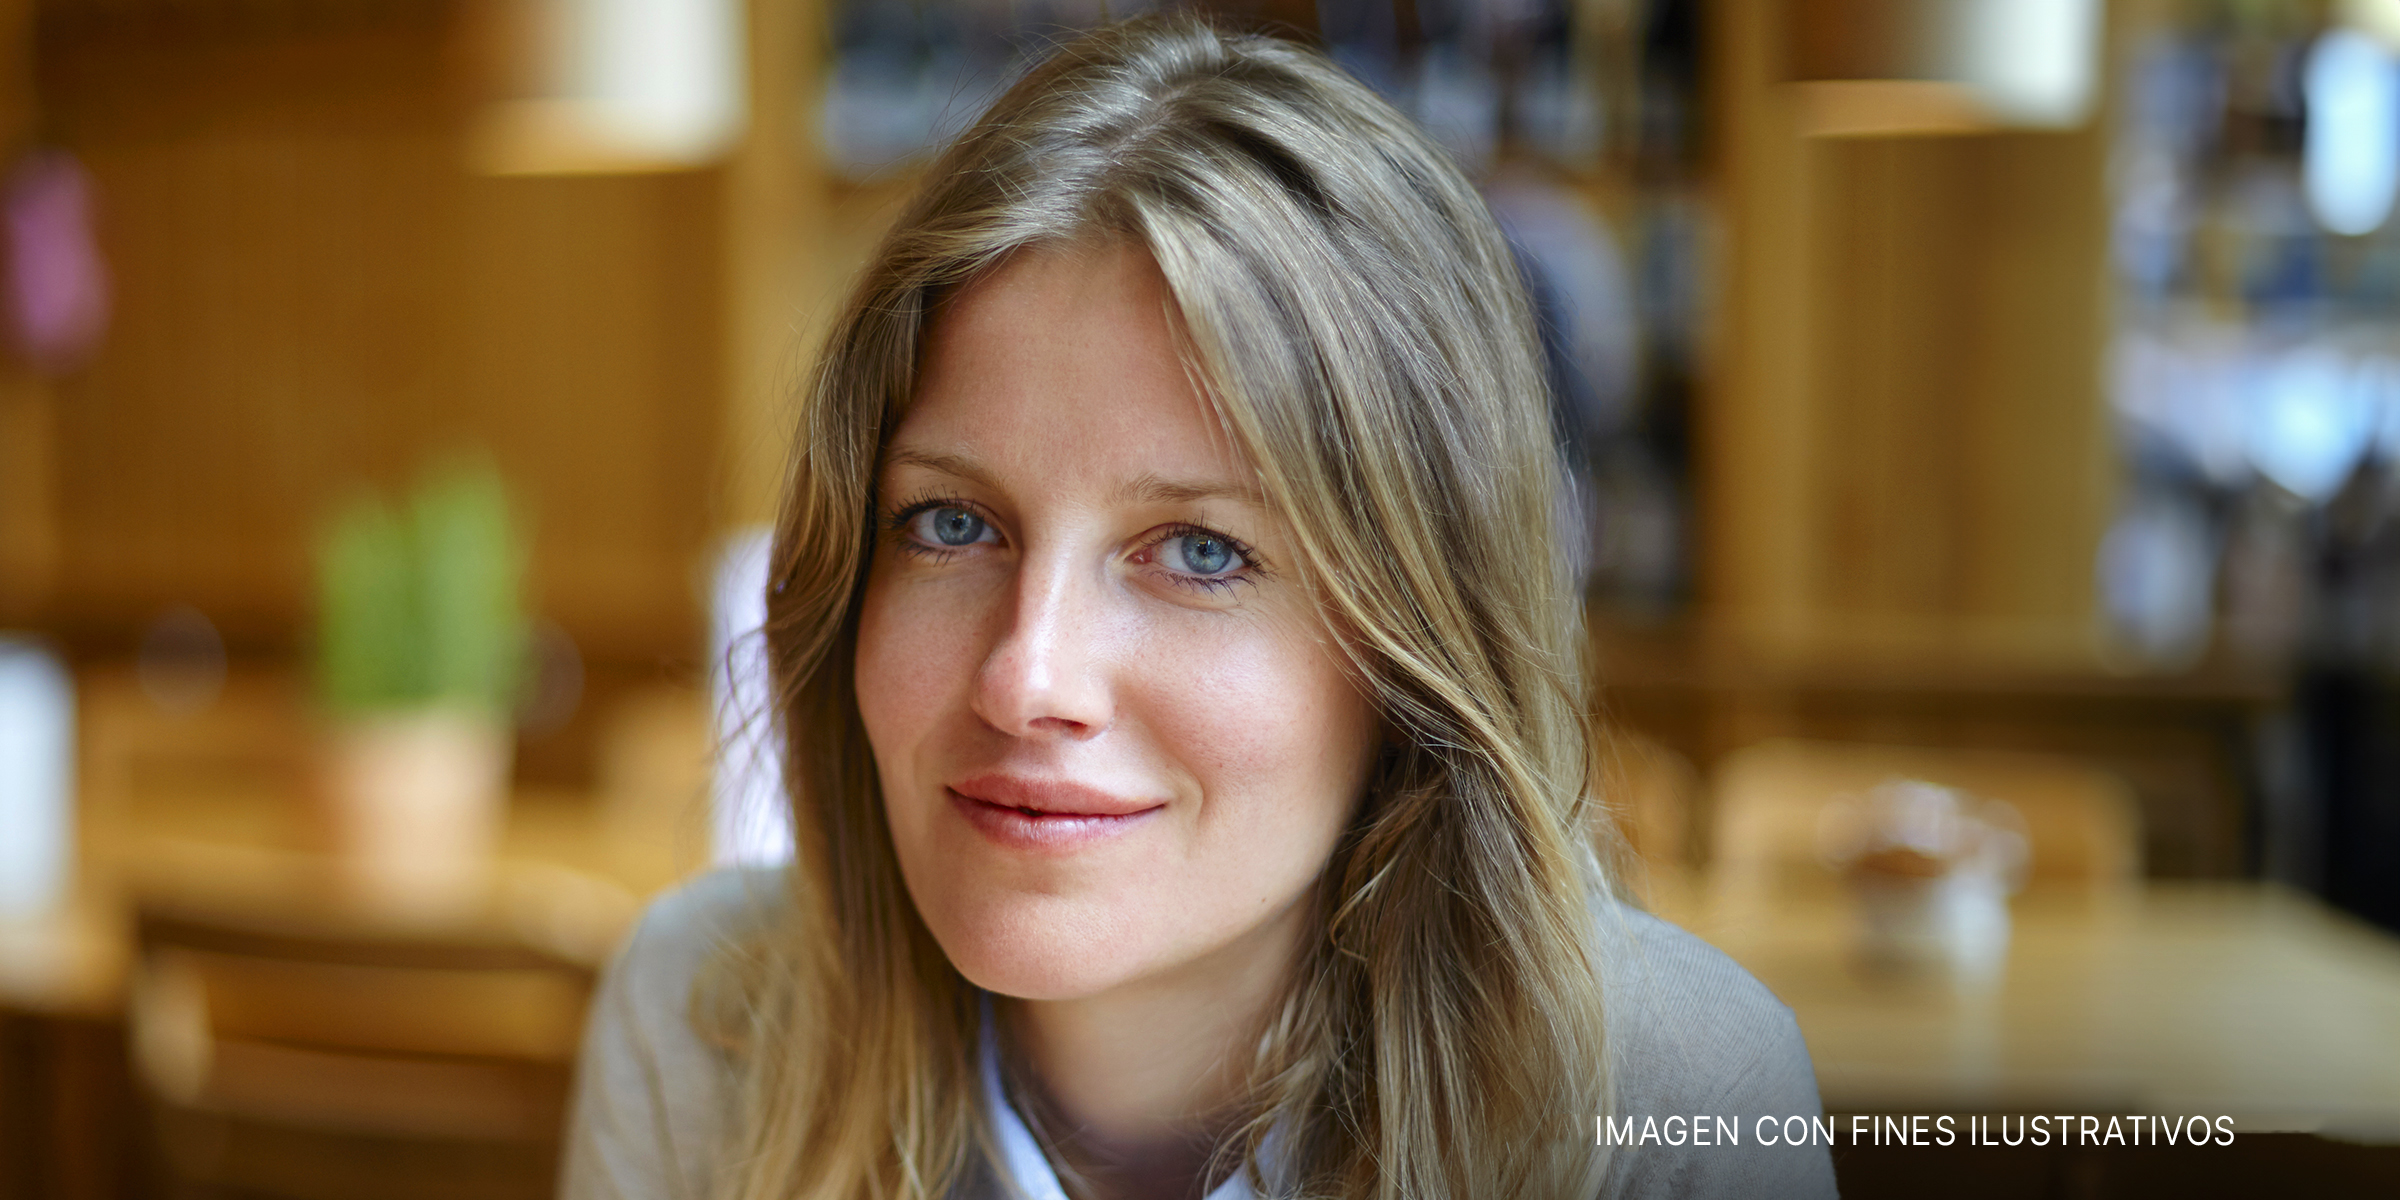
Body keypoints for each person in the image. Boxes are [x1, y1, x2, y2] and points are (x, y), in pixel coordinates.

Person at [563, 16, 1835, 1200]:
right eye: (951, 524)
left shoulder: (1674, 1104)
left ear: (1413, 647)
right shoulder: (711, 1024)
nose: (1027, 675)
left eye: (1199, 551)